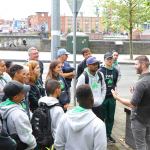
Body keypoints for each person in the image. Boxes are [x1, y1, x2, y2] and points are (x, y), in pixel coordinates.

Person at [111, 55, 150, 150]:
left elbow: (132, 104)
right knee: (148, 143)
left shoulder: (141, 82)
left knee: (140, 145)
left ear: (143, 65)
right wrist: (135, 92)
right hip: (148, 118)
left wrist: (117, 97)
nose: (134, 66)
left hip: (139, 119)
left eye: (136, 64)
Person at [54, 84, 107, 150]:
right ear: (92, 100)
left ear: (77, 100)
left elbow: (58, 145)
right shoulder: (99, 125)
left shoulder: (64, 118)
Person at [0, 80, 36, 150]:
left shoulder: (3, 105)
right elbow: (26, 136)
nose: (25, 94)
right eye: (22, 93)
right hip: (21, 145)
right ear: (16, 97)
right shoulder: (19, 114)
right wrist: (33, 145)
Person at [99, 52, 118, 143]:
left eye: (111, 59)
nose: (110, 61)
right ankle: (101, 135)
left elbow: (115, 83)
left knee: (111, 117)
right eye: (108, 59)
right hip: (103, 98)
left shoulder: (115, 71)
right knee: (102, 117)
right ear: (104, 60)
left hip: (112, 98)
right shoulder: (100, 71)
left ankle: (108, 135)